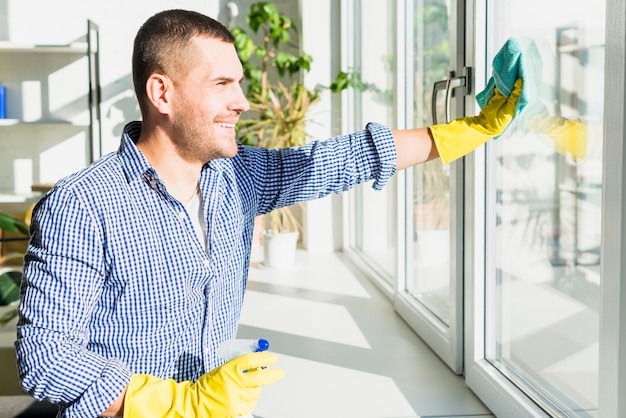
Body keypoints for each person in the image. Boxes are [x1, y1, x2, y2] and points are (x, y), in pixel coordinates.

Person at [14, 9, 521, 418]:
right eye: (222, 84)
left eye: (240, 83)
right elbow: (44, 358)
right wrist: (172, 405)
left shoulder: (236, 178)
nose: (243, 102)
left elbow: (341, 160)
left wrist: (468, 130)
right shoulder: (82, 205)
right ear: (161, 92)